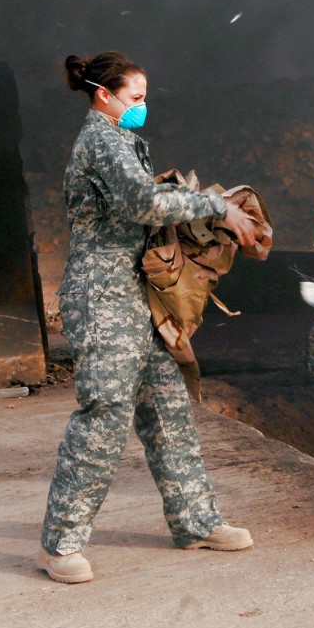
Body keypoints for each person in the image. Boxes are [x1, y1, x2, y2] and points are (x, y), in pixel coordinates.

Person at [38, 51, 257, 584]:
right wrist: (214, 206)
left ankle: (196, 522)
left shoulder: (124, 138)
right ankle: (60, 544)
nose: (143, 106)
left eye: (144, 97)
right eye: (135, 98)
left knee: (168, 409)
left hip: (139, 295)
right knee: (105, 415)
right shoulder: (101, 139)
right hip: (103, 295)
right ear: (103, 95)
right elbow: (141, 201)